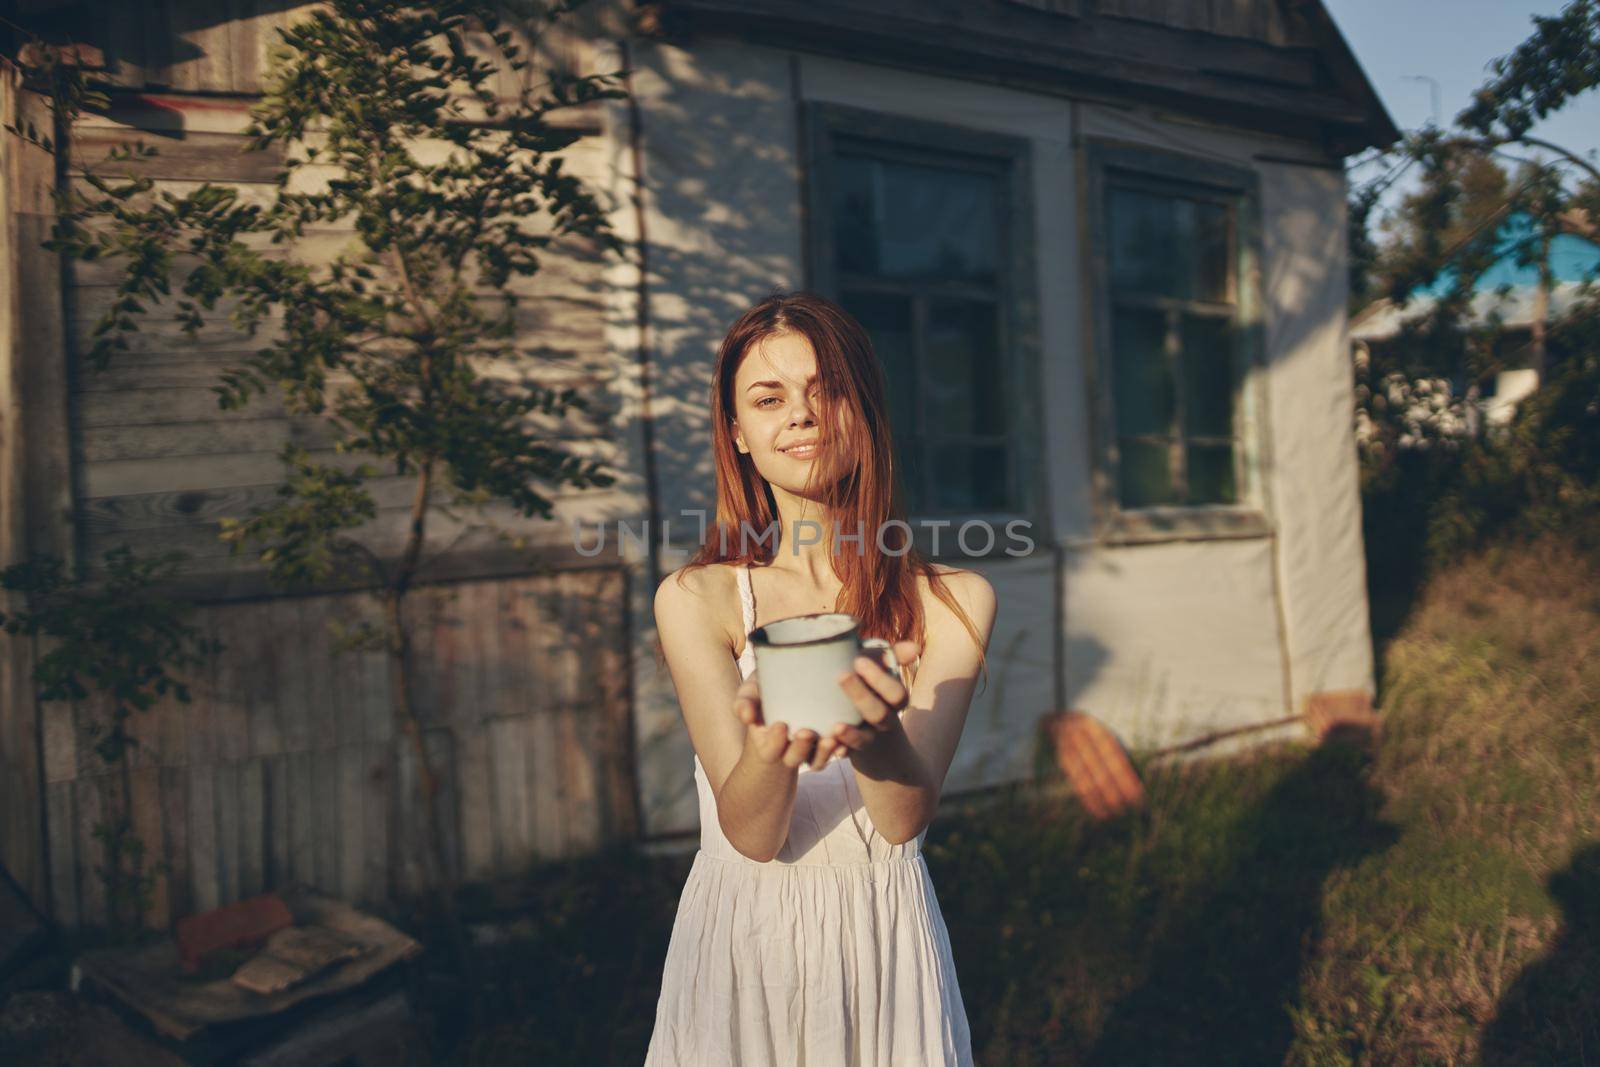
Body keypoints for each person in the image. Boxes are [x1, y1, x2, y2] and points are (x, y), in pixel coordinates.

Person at [644, 291, 996, 1065]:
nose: (801, 415)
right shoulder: (697, 598)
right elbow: (753, 834)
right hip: (745, 940)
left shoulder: (952, 602)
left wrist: (874, 735)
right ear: (737, 433)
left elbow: (903, 821)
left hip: (884, 937)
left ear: (864, 409)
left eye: (827, 389)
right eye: (769, 398)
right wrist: (774, 739)